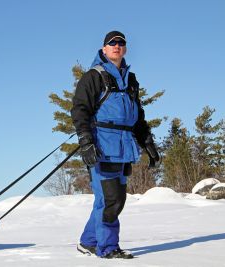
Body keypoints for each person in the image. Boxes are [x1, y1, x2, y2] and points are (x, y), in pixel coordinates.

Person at [71, 31, 160, 259]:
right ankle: (108, 248)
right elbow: (80, 109)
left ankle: (88, 241)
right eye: (112, 43)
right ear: (104, 49)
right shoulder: (93, 76)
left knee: (109, 200)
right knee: (112, 200)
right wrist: (85, 141)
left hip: (124, 147)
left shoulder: (130, 79)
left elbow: (137, 115)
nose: (117, 46)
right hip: (102, 146)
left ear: (125, 49)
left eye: (121, 43)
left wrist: (147, 142)